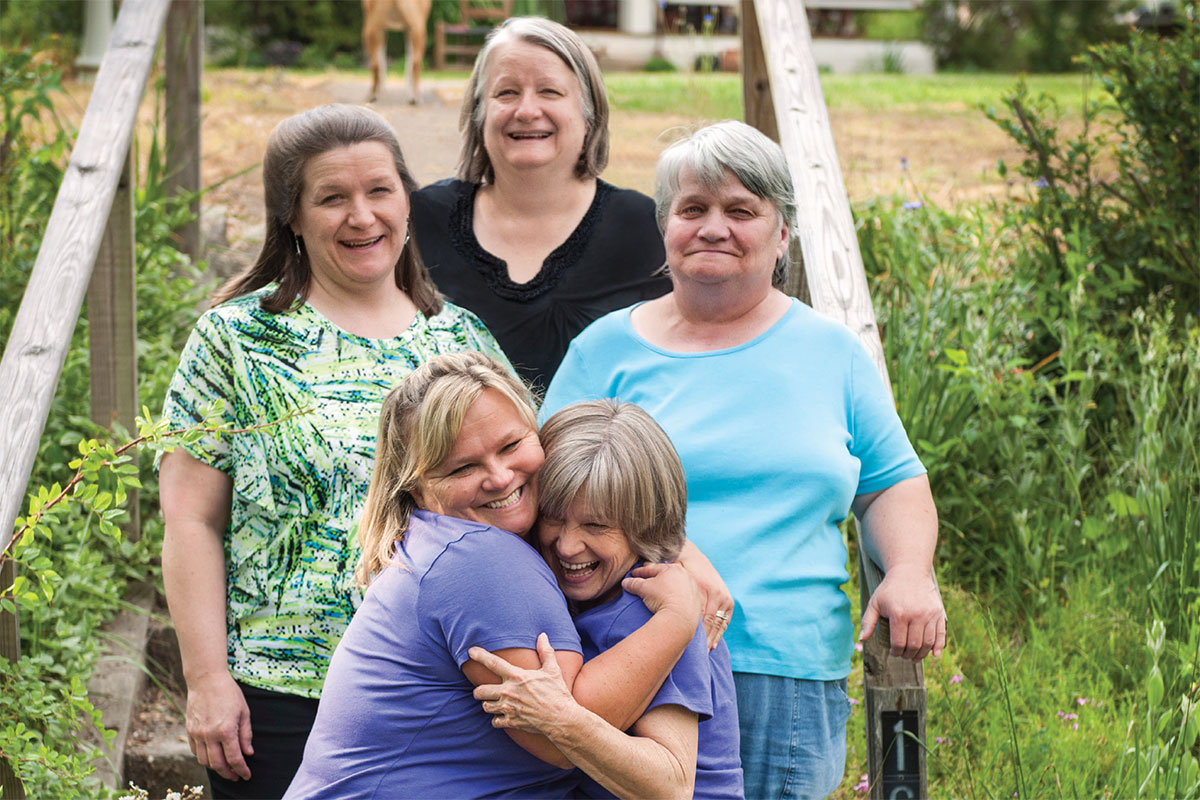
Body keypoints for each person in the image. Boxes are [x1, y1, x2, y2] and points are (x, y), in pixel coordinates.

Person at [540, 120, 948, 799]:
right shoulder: (603, 352)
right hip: (621, 661)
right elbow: (544, 497)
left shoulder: (833, 353)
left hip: (781, 669)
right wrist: (676, 554)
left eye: (741, 210)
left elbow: (890, 485)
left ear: (782, 233)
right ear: (664, 226)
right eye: (692, 208)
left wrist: (909, 571)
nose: (713, 227)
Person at [157, 104, 512, 799]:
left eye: (379, 190)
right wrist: (205, 680)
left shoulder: (459, 339)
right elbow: (190, 521)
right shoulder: (235, 340)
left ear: (406, 199)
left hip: (445, 692)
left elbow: (524, 484)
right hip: (282, 697)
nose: (362, 216)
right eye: (332, 197)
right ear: (291, 215)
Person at [285, 352, 704, 798]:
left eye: (510, 446)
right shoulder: (476, 556)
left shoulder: (443, 538)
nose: (501, 477)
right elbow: (562, 735)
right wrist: (678, 618)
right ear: (416, 485)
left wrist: (681, 551)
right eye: (463, 468)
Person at [469, 399, 744, 799]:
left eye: (595, 525)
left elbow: (671, 786)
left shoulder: (650, 606)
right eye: (553, 516)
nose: (566, 545)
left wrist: (558, 718)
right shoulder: (580, 593)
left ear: (644, 525)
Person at [410, 17, 670, 391]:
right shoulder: (422, 219)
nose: (527, 110)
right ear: (480, 113)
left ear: (588, 112)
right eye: (507, 93)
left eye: (549, 91)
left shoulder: (647, 230)